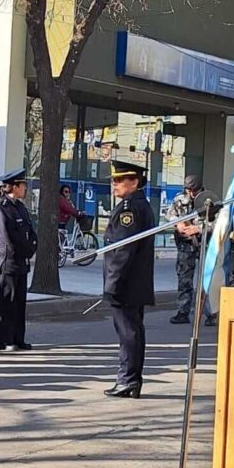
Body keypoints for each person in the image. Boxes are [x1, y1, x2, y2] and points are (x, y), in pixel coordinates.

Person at [102, 160, 155, 399]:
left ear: (133, 182)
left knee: (128, 333)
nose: (114, 185)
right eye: (113, 180)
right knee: (132, 331)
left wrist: (112, 284)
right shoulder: (137, 204)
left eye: (119, 180)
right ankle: (131, 380)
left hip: (126, 282)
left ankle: (128, 379)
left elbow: (123, 251)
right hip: (133, 281)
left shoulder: (130, 208)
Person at [0, 168, 37, 352]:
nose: (25, 188)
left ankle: (18, 338)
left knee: (20, 302)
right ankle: (4, 339)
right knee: (7, 302)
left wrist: (31, 249)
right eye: (23, 185)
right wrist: (24, 251)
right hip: (9, 261)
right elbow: (7, 238)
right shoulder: (1, 207)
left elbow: (31, 233)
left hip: (22, 261)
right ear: (14, 186)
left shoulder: (20, 206)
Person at [168, 174, 217, 326]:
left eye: (194, 190)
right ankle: (183, 311)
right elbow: (170, 215)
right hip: (185, 245)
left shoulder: (210, 200)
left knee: (207, 280)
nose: (191, 193)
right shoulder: (179, 199)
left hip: (205, 244)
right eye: (188, 190)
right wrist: (178, 224)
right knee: (184, 279)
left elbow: (219, 224)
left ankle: (212, 313)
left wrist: (199, 228)